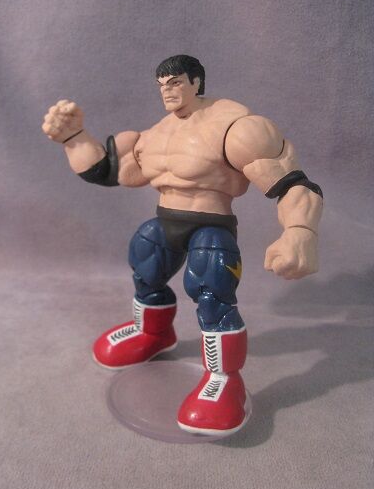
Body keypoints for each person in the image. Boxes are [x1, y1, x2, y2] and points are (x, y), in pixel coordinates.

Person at [42, 54, 323, 436]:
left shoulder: (235, 127)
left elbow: (291, 184)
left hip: (211, 226)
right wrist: (74, 138)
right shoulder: (154, 135)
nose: (167, 91)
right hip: (166, 221)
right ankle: (153, 333)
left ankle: (224, 379)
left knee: (211, 291)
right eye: (162, 85)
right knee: (145, 258)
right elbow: (106, 170)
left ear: (196, 82)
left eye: (175, 82)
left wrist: (300, 231)